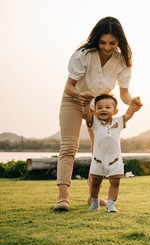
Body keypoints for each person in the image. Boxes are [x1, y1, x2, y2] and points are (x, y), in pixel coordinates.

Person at [53, 16, 140, 212]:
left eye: (112, 43)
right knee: (68, 147)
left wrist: (132, 101)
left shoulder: (123, 61)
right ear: (96, 39)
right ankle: (63, 198)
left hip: (100, 107)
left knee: (99, 150)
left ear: (119, 41)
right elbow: (69, 86)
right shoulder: (83, 54)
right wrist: (81, 96)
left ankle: (92, 196)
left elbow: (124, 93)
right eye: (102, 42)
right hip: (74, 100)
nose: (107, 47)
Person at [82, 94, 142, 212]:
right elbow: (85, 115)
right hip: (98, 159)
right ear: (95, 111)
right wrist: (85, 103)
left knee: (115, 182)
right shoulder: (95, 122)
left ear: (115, 111)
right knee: (95, 183)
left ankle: (111, 203)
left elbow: (128, 114)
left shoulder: (118, 122)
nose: (103, 109)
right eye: (99, 107)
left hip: (114, 159)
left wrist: (133, 105)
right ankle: (95, 201)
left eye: (108, 107)